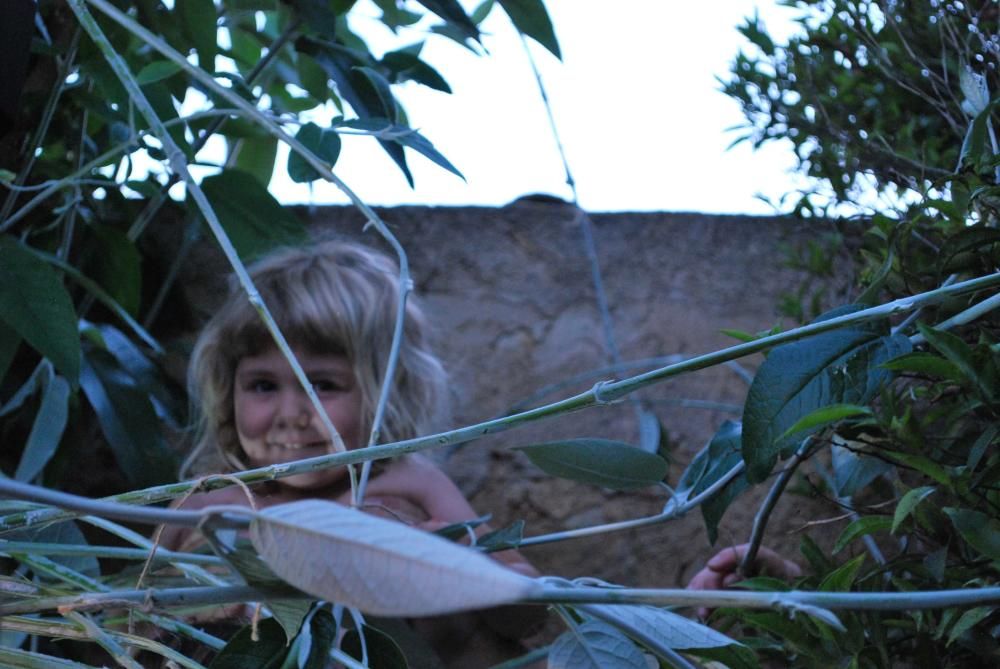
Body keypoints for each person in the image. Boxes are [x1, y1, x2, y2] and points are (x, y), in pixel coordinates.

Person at [158, 239, 542, 667]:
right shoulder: (208, 507)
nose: (291, 415)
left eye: (323, 385)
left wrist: (458, 564)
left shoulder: (405, 483)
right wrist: (188, 607)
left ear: (385, 393)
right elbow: (119, 625)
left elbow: (530, 614)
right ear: (228, 390)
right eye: (263, 386)